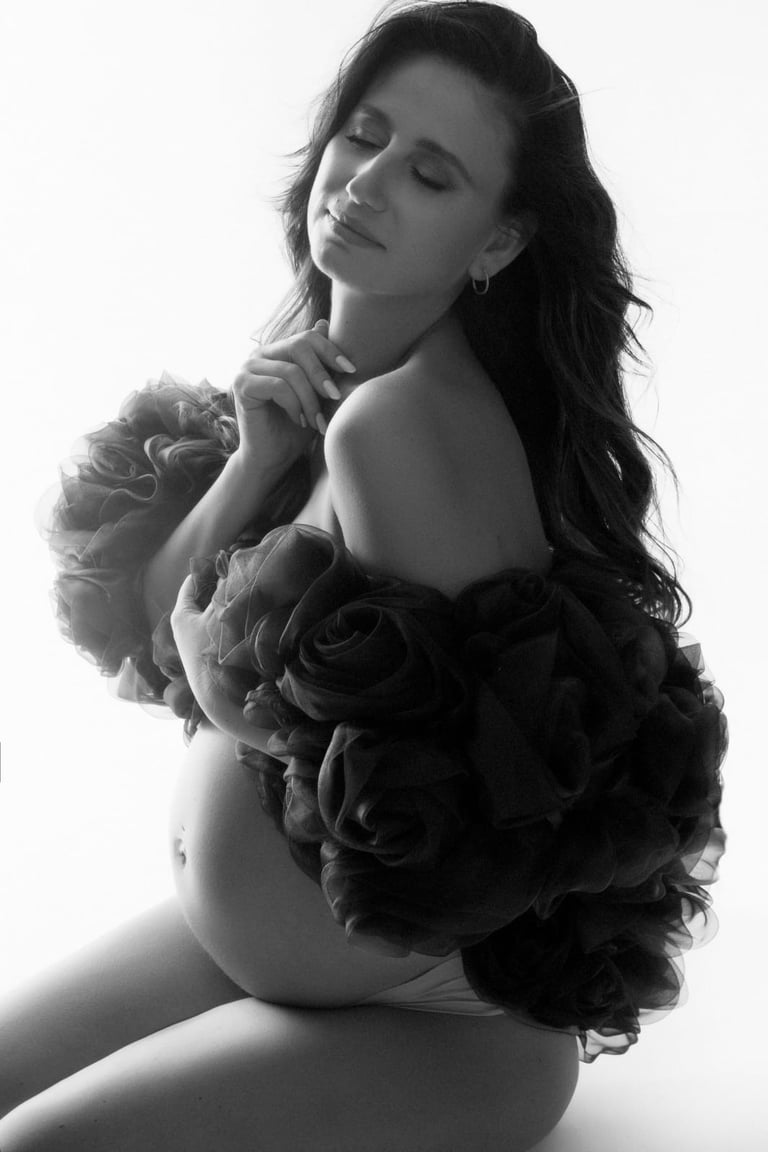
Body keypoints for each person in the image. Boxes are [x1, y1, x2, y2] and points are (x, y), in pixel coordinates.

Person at [0, 2, 726, 1149]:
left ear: (497, 244)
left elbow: (496, 812)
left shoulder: (400, 426)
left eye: (430, 174)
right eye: (365, 134)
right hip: (265, 956)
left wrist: (222, 685)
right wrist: (254, 462)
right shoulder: (328, 386)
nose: (366, 182)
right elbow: (152, 636)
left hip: (440, 1019)